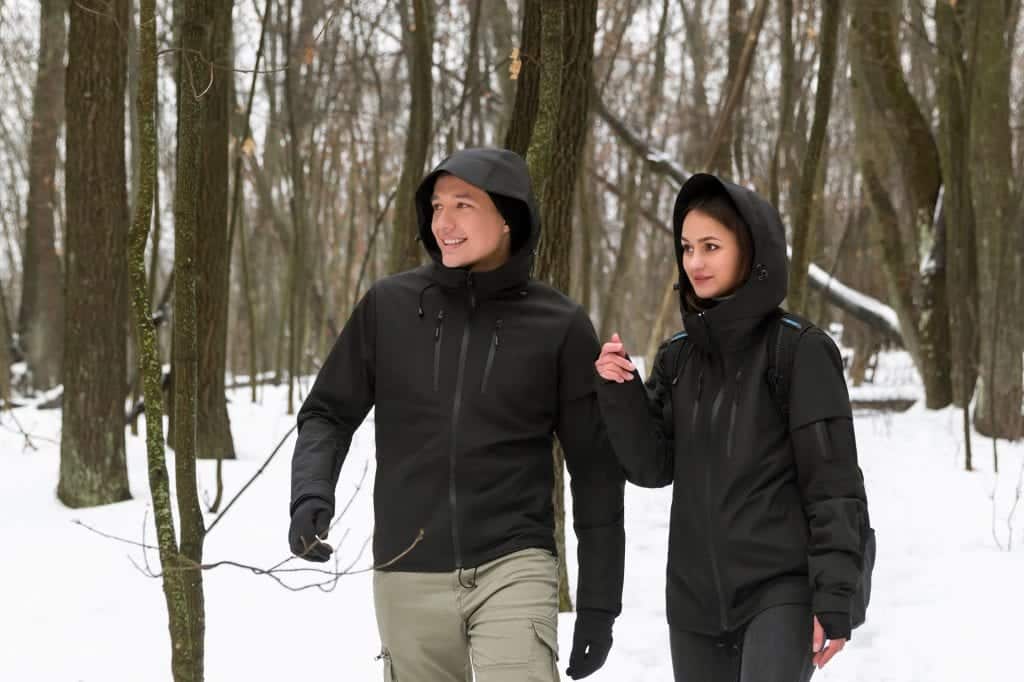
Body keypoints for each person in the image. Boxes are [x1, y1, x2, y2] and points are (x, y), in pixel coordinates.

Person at [289, 147, 625, 681]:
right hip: (407, 565)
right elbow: (328, 411)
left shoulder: (558, 324)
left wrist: (600, 605)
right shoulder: (389, 307)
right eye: (437, 206)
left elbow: (595, 471)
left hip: (513, 561)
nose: (443, 222)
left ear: (509, 216)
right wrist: (310, 493)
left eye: (463, 205)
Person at [594, 173, 869, 682]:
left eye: (711, 246)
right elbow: (652, 466)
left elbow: (834, 485)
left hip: (780, 593)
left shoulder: (799, 350)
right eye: (687, 247)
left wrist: (836, 596)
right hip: (694, 604)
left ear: (751, 250)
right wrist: (620, 393)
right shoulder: (677, 356)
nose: (695, 262)